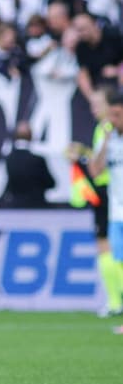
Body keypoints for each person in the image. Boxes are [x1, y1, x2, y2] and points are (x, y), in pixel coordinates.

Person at [81, 89, 123, 317]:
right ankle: (116, 302)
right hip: (115, 206)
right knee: (116, 257)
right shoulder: (105, 133)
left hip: (108, 198)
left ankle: (116, 302)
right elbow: (95, 170)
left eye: (99, 105)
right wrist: (105, 141)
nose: (95, 110)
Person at [3, 121, 55, 208]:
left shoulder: (9, 159)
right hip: (37, 207)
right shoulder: (38, 160)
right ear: (31, 136)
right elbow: (51, 183)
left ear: (15, 136)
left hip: (15, 207)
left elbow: (9, 185)